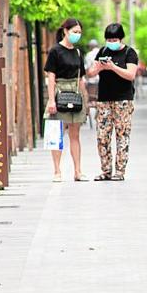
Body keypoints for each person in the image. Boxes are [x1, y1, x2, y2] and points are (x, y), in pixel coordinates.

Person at [87, 23, 140, 181]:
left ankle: (120, 171)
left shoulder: (129, 53)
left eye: (114, 39)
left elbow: (131, 75)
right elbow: (90, 73)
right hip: (103, 100)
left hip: (123, 100)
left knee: (122, 135)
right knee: (102, 136)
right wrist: (99, 68)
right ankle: (105, 170)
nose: (111, 42)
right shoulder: (102, 52)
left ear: (121, 38)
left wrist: (113, 67)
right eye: (109, 39)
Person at [43, 18, 89, 182]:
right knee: (57, 134)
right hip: (59, 92)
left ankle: (78, 171)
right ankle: (57, 171)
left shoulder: (77, 52)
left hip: (75, 93)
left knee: (75, 135)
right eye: (74, 31)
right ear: (65, 31)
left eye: (79, 32)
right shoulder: (55, 51)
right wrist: (51, 100)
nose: (77, 35)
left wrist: (86, 99)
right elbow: (51, 76)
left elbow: (81, 78)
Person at [83, 39, 101, 128]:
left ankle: (86, 113)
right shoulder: (102, 53)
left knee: (87, 96)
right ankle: (98, 114)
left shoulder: (88, 55)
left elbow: (86, 69)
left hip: (92, 82)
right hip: (102, 82)